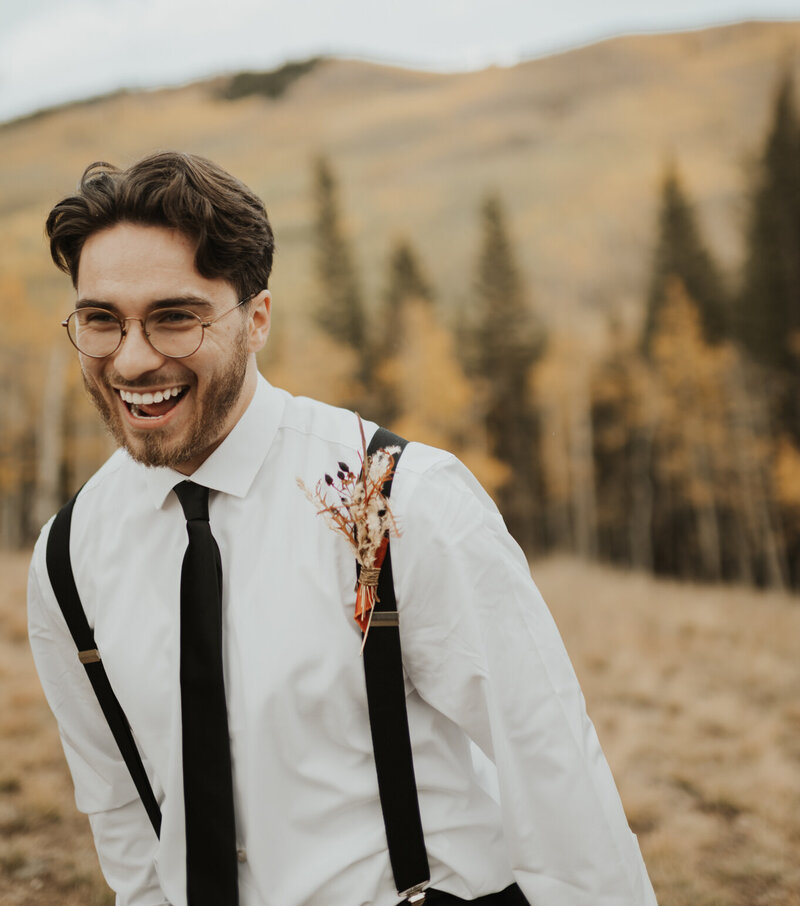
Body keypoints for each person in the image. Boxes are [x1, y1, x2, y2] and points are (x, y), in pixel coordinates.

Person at [28, 152, 658, 906]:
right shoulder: (69, 556)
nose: (131, 359)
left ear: (256, 319)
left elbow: (554, 775)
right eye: (101, 320)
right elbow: (119, 804)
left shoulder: (401, 499)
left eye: (174, 317)